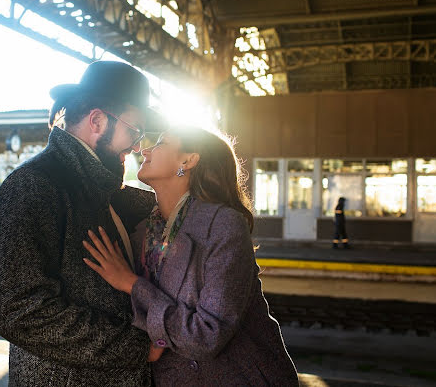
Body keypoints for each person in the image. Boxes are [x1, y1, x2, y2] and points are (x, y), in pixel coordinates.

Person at [0, 61, 166, 386]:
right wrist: (136, 346)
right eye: (134, 130)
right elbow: (19, 312)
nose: (137, 145)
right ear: (97, 121)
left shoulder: (101, 190)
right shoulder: (31, 187)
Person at [82, 126, 299, 386]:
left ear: (188, 160)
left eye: (161, 142)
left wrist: (131, 283)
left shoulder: (223, 225)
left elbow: (206, 336)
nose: (145, 149)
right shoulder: (143, 231)